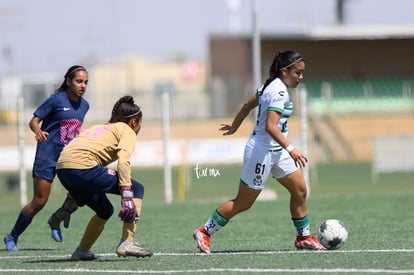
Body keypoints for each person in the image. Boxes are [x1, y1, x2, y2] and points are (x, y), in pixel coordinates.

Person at [192, 50, 325, 254]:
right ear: (284, 71)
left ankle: (303, 237)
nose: (301, 77)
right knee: (243, 202)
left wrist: (235, 125)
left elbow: (247, 105)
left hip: (275, 150)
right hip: (261, 152)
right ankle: (204, 231)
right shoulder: (279, 92)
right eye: (297, 72)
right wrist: (291, 149)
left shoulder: (269, 85)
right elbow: (270, 127)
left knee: (300, 190)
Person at [55, 95, 153, 261]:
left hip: (62, 169)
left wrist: (70, 200)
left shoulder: (102, 127)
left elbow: (74, 160)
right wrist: (127, 194)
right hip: (82, 167)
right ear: (134, 122)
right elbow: (123, 162)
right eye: (140, 122)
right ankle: (127, 242)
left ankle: (82, 251)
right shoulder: (127, 130)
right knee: (137, 188)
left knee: (104, 210)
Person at [3, 65, 90, 251]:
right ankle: (12, 236)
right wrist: (38, 131)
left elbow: (72, 128)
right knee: (39, 201)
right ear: (68, 81)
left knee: (82, 194)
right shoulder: (56, 100)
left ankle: (55, 220)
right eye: (79, 81)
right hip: (47, 156)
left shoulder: (85, 106)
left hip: (68, 159)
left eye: (85, 82)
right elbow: (34, 120)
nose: (83, 85)